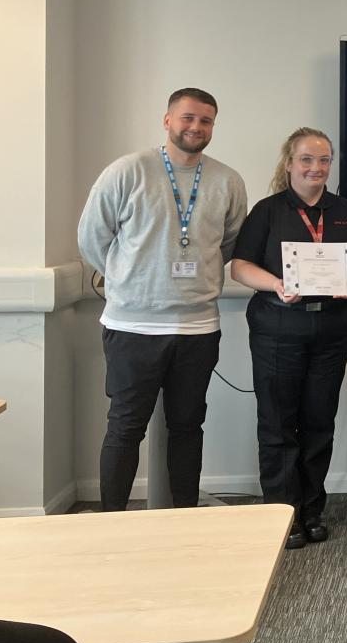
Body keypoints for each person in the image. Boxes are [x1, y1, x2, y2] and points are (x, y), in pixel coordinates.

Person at [77, 87, 247, 511]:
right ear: (167, 120)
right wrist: (131, 278)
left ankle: (183, 516)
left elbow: (228, 244)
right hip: (132, 325)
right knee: (125, 426)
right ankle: (111, 520)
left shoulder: (227, 180)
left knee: (188, 426)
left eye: (206, 120)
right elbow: (91, 238)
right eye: (188, 118)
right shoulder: (128, 171)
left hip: (197, 326)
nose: (196, 127)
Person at [230, 127, 347, 549]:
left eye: (324, 160)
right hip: (279, 328)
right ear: (289, 163)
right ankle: (281, 513)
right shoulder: (267, 211)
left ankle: (312, 510)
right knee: (277, 424)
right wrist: (276, 283)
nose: (316, 167)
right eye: (307, 159)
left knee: (318, 422)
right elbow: (240, 267)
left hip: (331, 329)